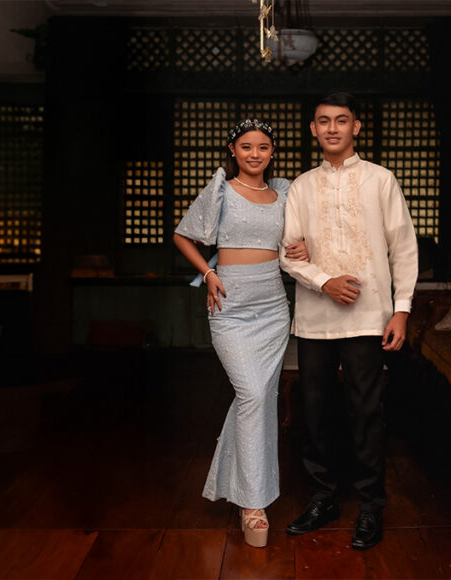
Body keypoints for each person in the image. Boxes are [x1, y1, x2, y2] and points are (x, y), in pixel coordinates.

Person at [279, 92, 418, 550]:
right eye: (323, 121)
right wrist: (323, 280)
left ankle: (370, 505)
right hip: (316, 317)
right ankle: (323, 498)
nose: (332, 128)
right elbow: (287, 251)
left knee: (366, 413)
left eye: (342, 120)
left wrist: (401, 309)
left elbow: (402, 246)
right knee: (316, 413)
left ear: (357, 127)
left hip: (368, 316)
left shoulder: (381, 180)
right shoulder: (300, 186)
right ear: (313, 129)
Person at [173, 118, 308, 548]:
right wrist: (207, 272)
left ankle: (251, 501)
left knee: (258, 399)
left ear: (273, 152)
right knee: (251, 394)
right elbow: (182, 236)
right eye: (246, 146)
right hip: (230, 305)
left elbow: (299, 240)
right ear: (232, 150)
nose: (255, 153)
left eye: (263, 146)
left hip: (272, 307)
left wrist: (305, 246)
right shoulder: (220, 190)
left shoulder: (284, 193)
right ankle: (252, 502)